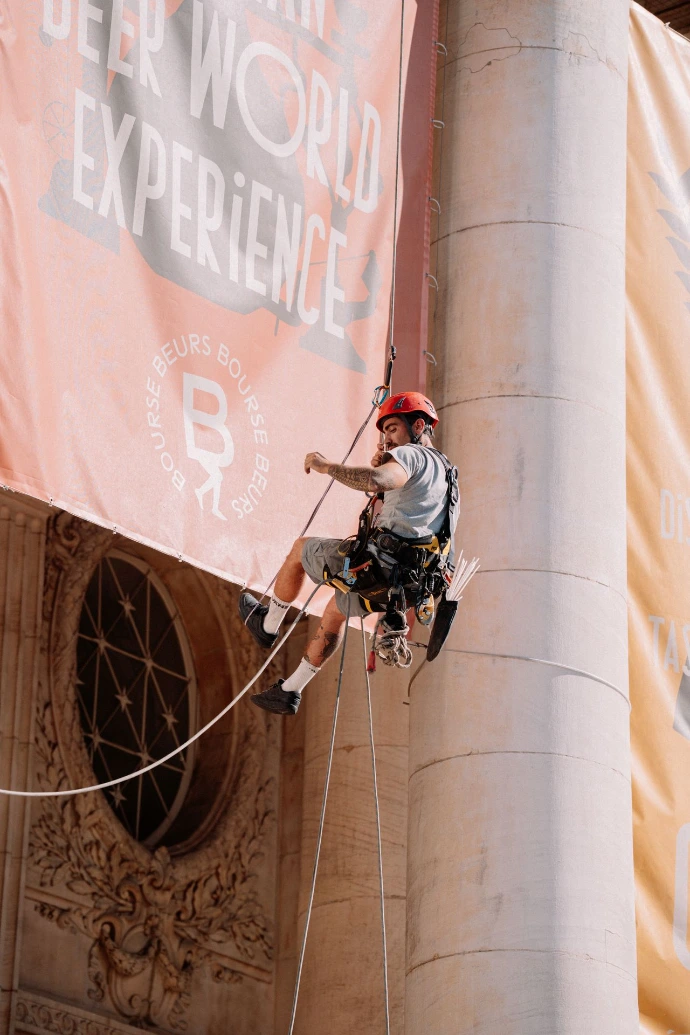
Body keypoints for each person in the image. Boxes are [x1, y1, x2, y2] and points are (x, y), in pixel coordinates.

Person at [239, 392, 458, 715]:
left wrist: (326, 466)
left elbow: (375, 480)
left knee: (301, 550)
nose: (388, 440)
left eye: (394, 429)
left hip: (375, 567)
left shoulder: (412, 456)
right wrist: (389, 464)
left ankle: (268, 625)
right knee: (334, 612)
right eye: (385, 433)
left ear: (419, 425)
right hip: (404, 589)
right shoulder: (448, 475)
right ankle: (289, 690)